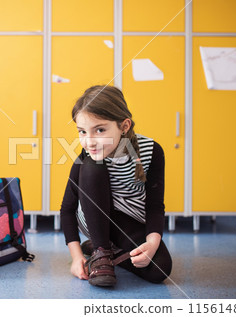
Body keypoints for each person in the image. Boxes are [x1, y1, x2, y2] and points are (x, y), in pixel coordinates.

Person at [60, 85, 172, 287]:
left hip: (130, 220)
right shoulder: (86, 158)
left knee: (160, 269)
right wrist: (76, 258)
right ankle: (101, 251)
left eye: (100, 130)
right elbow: (67, 210)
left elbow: (155, 205)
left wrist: (152, 242)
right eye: (82, 132)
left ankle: (107, 249)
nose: (89, 142)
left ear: (124, 126)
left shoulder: (152, 151)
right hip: (94, 219)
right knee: (93, 165)